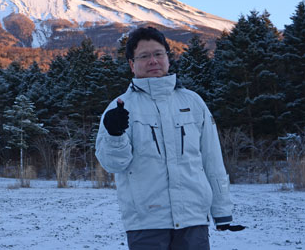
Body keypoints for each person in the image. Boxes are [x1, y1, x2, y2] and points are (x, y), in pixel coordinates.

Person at [95, 27, 244, 250]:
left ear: (168, 57)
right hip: (146, 221)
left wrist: (221, 211)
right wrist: (115, 134)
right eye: (144, 56)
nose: (153, 60)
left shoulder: (193, 102)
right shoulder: (120, 107)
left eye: (158, 54)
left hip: (193, 219)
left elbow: (211, 159)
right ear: (131, 64)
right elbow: (114, 164)